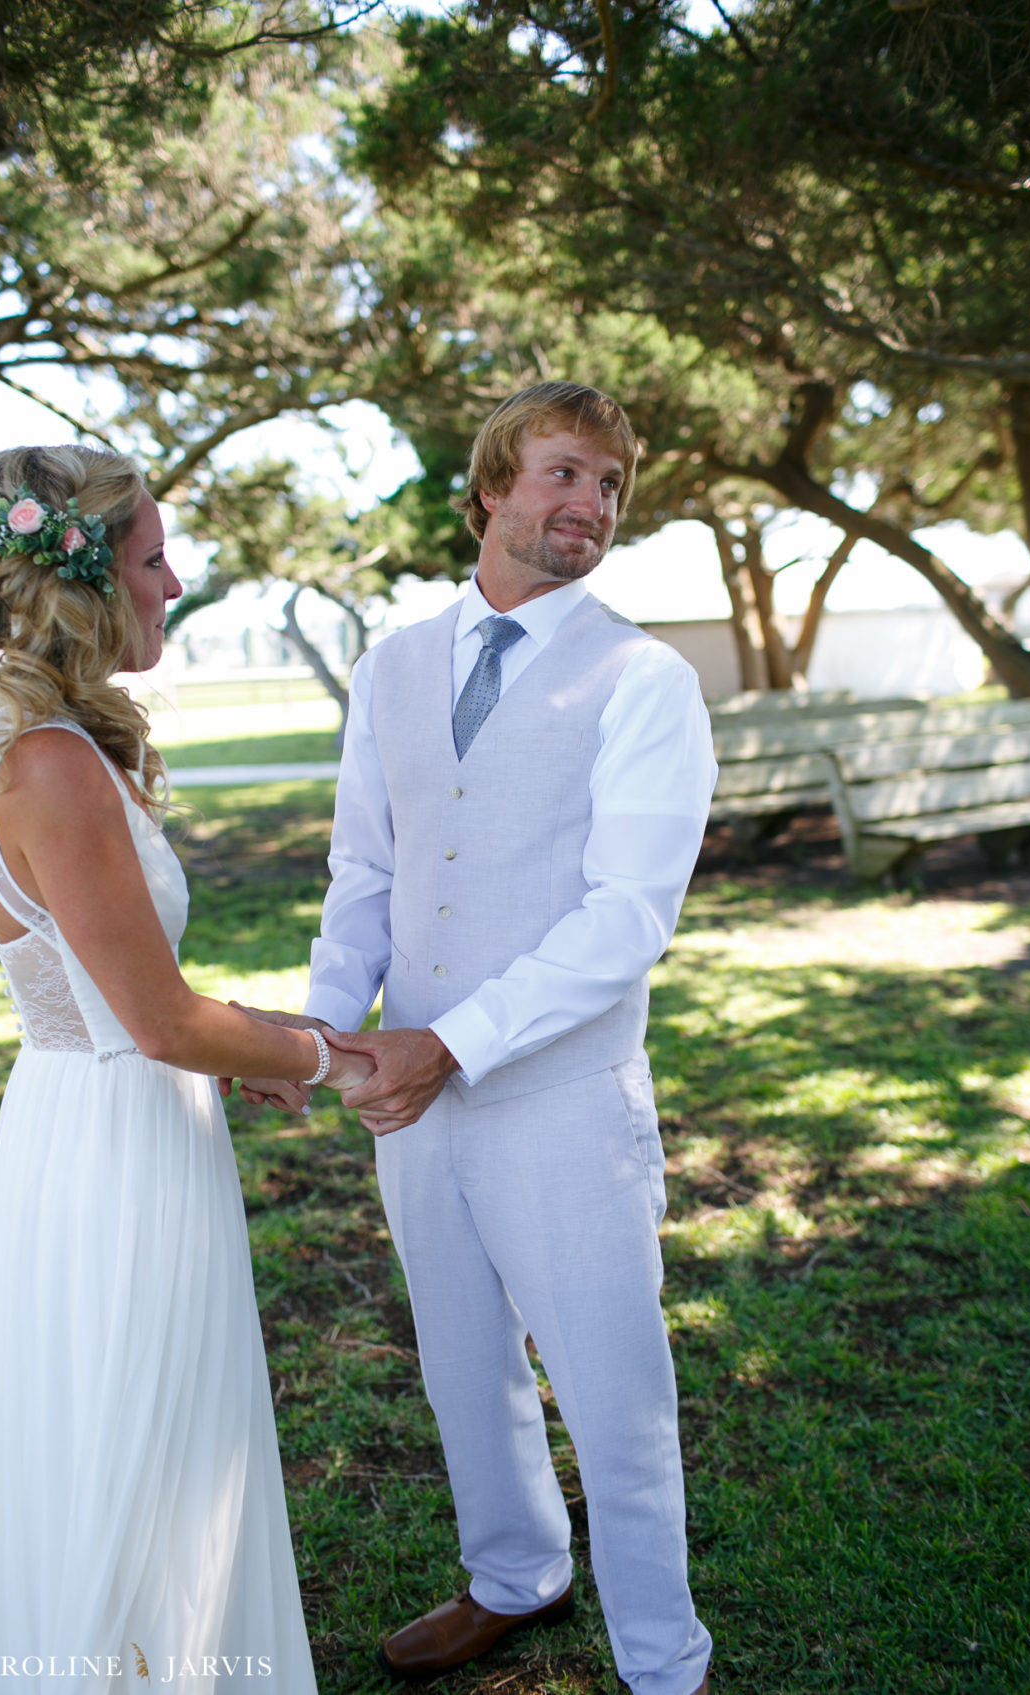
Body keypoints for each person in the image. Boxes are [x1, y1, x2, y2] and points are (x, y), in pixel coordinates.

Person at [237, 382, 717, 1694]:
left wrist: (448, 1040)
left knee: (614, 1394)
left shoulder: (644, 678)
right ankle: (514, 1576)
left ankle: (664, 1661)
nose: (591, 504)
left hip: (561, 1099)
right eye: (565, 472)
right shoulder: (391, 666)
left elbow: (628, 916)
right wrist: (321, 1024)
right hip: (408, 1098)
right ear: (494, 483)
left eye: (610, 484)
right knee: (460, 1361)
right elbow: (364, 869)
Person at [0, 445, 371, 1695]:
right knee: (128, 1434)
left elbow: (131, 995)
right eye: (153, 559)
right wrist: (327, 1057)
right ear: (81, 582)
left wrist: (248, 1041)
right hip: (116, 1143)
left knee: (132, 1427)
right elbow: (159, 1021)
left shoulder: (45, 741)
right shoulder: (49, 763)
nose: (173, 584)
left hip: (108, 1108)